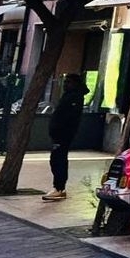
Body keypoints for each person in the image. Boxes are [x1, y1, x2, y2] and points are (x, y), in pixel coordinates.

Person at [42, 74, 85, 202]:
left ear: (75, 83)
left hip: (63, 135)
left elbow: (69, 117)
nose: (65, 84)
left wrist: (60, 130)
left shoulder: (75, 97)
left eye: (68, 82)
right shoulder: (68, 95)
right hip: (59, 134)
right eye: (65, 82)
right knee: (56, 159)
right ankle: (59, 187)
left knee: (58, 160)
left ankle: (59, 188)